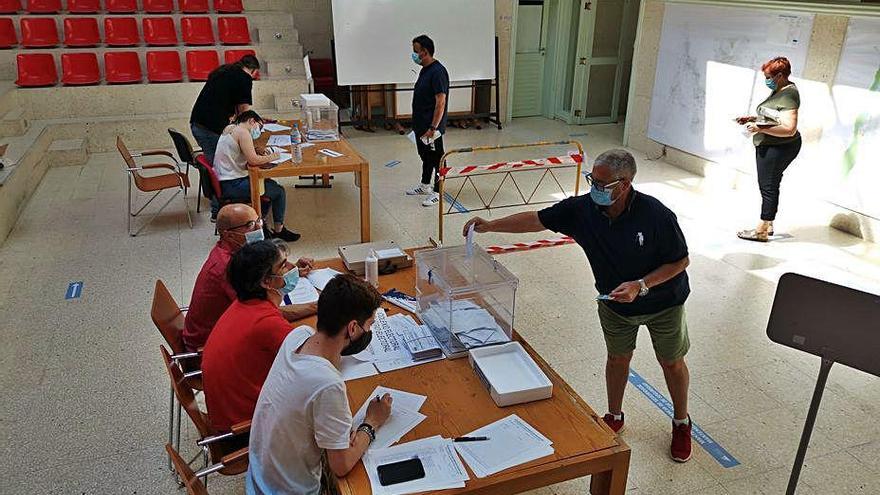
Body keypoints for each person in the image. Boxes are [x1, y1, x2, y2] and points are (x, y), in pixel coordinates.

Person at [463, 149, 694, 462]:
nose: (594, 189)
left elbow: (681, 260)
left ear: (624, 184)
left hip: (663, 302)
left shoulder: (656, 214)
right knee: (617, 359)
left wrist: (642, 286)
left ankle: (681, 421)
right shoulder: (583, 210)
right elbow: (537, 220)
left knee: (671, 362)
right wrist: (491, 225)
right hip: (614, 304)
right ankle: (614, 415)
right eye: (592, 181)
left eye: (602, 184)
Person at [246, 274, 393, 494]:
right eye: (369, 325)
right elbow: (341, 466)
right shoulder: (328, 385)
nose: (369, 332)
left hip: (258, 477)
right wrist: (371, 423)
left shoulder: (298, 336)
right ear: (352, 328)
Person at [201, 238, 314, 433]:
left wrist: (317, 306)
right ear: (266, 282)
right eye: (283, 265)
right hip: (247, 429)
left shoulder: (245, 304)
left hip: (228, 413)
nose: (291, 267)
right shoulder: (267, 324)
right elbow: (316, 362)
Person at [182, 204, 314, 352]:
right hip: (207, 347)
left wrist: (285, 271)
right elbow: (262, 311)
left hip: (223, 331)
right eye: (250, 225)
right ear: (229, 235)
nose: (259, 228)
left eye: (259, 221)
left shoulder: (235, 254)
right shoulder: (228, 269)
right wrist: (316, 306)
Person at [735, 56, 801, 242]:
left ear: (780, 76)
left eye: (768, 77)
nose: (767, 81)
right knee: (770, 184)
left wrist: (759, 128)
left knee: (768, 186)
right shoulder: (781, 90)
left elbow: (789, 129)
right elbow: (775, 117)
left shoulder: (789, 95)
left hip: (779, 147)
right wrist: (752, 119)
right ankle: (769, 224)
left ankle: (762, 230)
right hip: (772, 144)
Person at [189, 54, 260, 220]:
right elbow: (244, 112)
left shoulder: (225, 72)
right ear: (253, 71)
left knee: (220, 165)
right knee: (220, 169)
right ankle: (219, 211)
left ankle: (231, 200)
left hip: (199, 123)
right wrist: (251, 131)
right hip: (209, 129)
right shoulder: (244, 78)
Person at [214, 110, 301, 242]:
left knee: (270, 184)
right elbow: (253, 161)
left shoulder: (231, 128)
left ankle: (263, 222)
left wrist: (255, 149)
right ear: (251, 121)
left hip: (226, 181)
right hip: (234, 184)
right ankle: (279, 230)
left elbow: (237, 151)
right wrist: (274, 155)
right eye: (259, 127)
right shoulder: (243, 132)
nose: (258, 131)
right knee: (278, 191)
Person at [405, 34, 449, 207]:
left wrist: (433, 127)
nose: (414, 54)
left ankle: (438, 191)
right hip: (421, 124)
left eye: (415, 51)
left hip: (432, 127)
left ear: (424, 52)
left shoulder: (438, 72)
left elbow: (441, 102)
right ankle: (425, 185)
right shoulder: (425, 69)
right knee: (426, 156)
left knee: (438, 158)